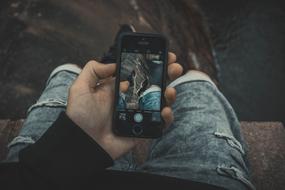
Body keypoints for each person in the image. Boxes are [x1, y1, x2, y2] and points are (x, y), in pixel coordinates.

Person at [0, 25, 255, 190]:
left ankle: (115, 64)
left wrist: (70, 148)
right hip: (195, 181)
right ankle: (117, 66)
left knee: (66, 76)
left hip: (50, 177)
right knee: (196, 83)